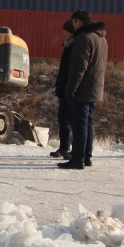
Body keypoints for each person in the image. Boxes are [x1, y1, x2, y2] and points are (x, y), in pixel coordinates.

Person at [58, 10, 108, 170]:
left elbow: (79, 67)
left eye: (73, 23)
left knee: (79, 125)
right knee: (88, 124)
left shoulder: (83, 39)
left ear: (78, 22)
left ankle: (77, 159)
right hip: (95, 88)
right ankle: (86, 156)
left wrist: (71, 88)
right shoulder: (101, 39)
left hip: (82, 89)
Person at [50, 19, 75, 159]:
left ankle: (73, 149)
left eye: (66, 30)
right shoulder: (67, 45)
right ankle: (64, 147)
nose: (63, 33)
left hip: (70, 89)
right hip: (63, 88)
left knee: (72, 120)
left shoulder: (75, 46)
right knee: (63, 119)